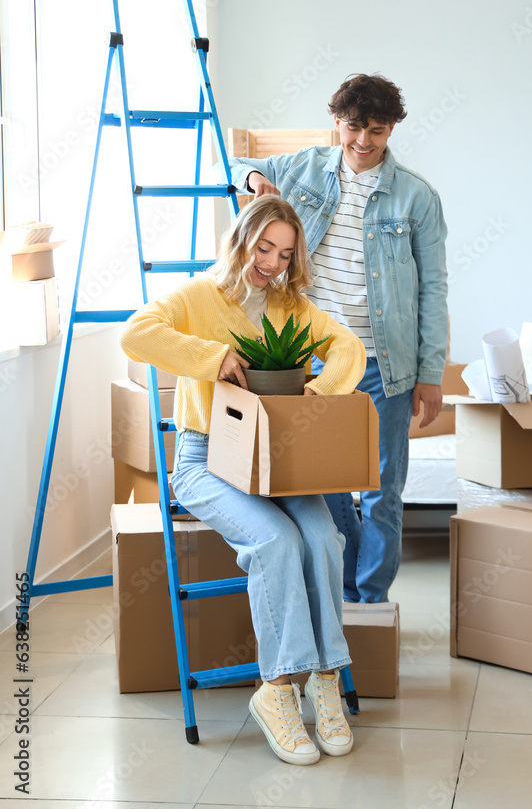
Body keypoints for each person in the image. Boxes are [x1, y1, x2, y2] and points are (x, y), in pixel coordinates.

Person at [120, 196, 366, 766]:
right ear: (242, 241)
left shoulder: (291, 305)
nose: (273, 263)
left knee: (325, 538)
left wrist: (319, 393)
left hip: (278, 459)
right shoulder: (197, 296)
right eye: (264, 248)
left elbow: (348, 348)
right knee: (276, 542)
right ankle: (278, 690)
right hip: (205, 459)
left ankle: (325, 678)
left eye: (284, 254)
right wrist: (210, 357)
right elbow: (136, 334)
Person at [229, 73, 448, 604]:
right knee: (324, 487)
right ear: (338, 123)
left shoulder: (417, 197)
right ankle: (338, 591)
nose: (364, 142)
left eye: (377, 130)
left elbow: (434, 288)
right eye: (354, 128)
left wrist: (430, 374)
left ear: (392, 128)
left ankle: (369, 602)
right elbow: (225, 164)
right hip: (312, 363)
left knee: (380, 492)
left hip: (385, 363)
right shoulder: (303, 167)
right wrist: (257, 179)